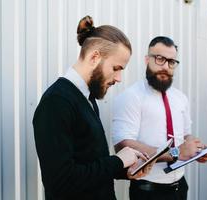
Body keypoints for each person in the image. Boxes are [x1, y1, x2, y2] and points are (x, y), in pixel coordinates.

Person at [33, 16, 152, 200]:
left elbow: (88, 163)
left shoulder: (87, 97)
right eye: (116, 68)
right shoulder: (56, 102)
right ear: (95, 57)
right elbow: (60, 182)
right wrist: (118, 161)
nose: (119, 78)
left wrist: (125, 169)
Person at [111, 36, 207, 200]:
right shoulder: (130, 97)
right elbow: (123, 145)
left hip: (180, 186)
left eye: (171, 62)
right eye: (160, 59)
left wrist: (197, 150)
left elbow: (186, 134)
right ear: (147, 60)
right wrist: (177, 153)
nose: (165, 66)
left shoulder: (180, 97)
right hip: (148, 191)